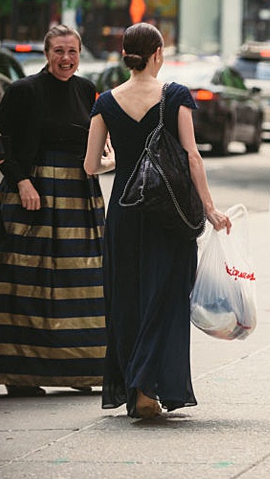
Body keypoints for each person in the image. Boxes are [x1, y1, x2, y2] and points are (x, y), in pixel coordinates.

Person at [84, 22, 231, 419]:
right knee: (165, 297)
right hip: (167, 211)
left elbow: (90, 165)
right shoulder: (174, 95)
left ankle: (136, 387)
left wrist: (117, 161)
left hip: (124, 211)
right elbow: (192, 156)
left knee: (127, 296)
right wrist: (210, 208)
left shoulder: (105, 101)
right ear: (158, 53)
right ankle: (149, 386)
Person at [0, 25, 108, 397]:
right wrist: (21, 181)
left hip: (79, 195)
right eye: (59, 51)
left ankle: (80, 369)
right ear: (46, 54)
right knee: (29, 284)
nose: (66, 59)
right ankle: (20, 376)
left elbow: (94, 137)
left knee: (83, 282)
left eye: (72, 51)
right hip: (34, 195)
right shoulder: (22, 91)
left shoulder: (86, 89)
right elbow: (1, 142)